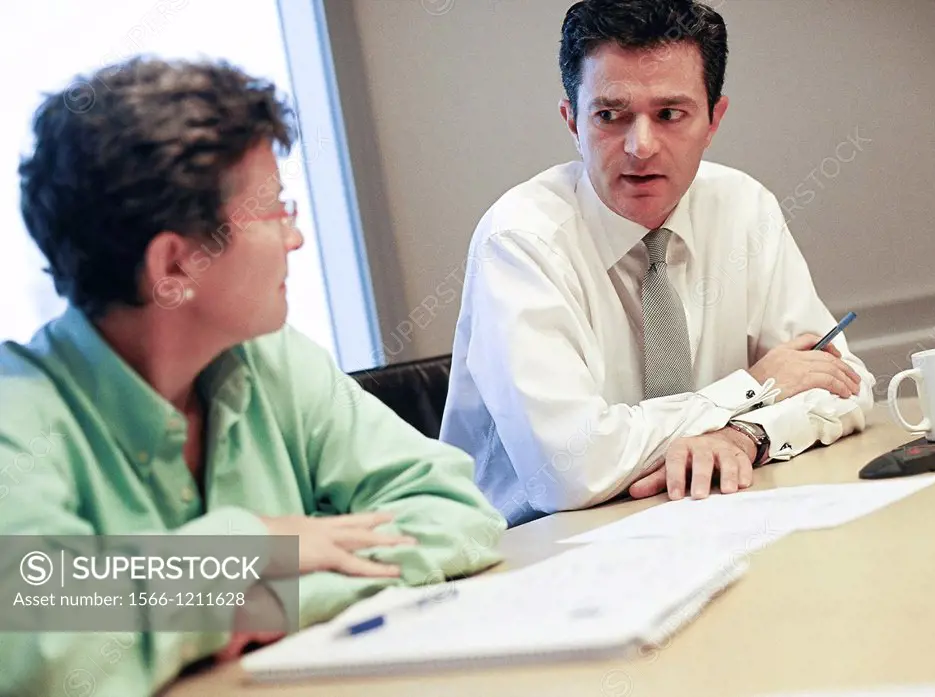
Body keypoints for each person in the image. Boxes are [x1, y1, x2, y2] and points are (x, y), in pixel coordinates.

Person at [0, 57, 504, 696]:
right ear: (176, 265)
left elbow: (458, 513)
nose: (295, 237)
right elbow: (45, 649)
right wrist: (246, 543)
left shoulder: (273, 359)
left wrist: (254, 598)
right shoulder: (15, 414)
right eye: (273, 211)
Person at [439, 0, 876, 527]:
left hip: (706, 519)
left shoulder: (742, 207)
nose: (640, 147)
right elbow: (567, 471)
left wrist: (742, 434)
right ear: (571, 122)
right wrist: (751, 387)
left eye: (670, 114)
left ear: (714, 120)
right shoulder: (520, 241)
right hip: (535, 550)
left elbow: (843, 383)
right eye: (609, 115)